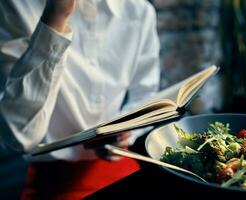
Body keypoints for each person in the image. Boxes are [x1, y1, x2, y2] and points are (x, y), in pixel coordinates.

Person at [0, 0, 160, 199]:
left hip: (121, 165)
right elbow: (20, 136)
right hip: (52, 183)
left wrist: (125, 132)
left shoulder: (139, 10)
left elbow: (146, 93)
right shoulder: (14, 6)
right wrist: (56, 17)